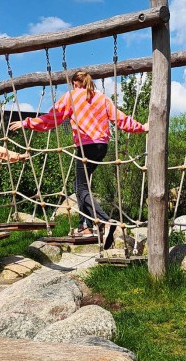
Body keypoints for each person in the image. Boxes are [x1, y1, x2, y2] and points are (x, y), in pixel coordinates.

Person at [9, 70, 148, 249]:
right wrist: (141, 127)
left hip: (85, 147)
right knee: (83, 184)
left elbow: (52, 118)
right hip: (102, 147)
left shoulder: (72, 96)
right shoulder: (101, 98)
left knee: (80, 188)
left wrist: (26, 123)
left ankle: (105, 221)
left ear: (75, 83)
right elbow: (119, 119)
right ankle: (86, 226)